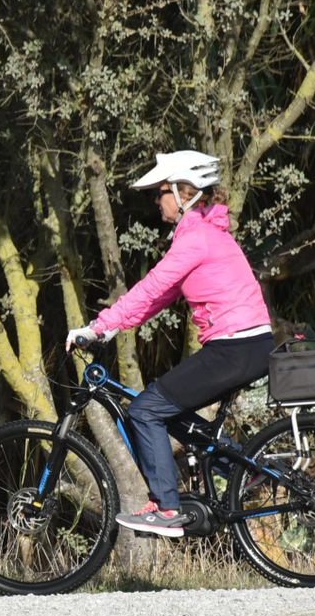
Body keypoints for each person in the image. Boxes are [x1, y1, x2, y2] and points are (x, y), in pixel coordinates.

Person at [65, 150, 273, 537]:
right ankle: (244, 468)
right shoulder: (202, 235)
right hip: (245, 345)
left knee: (145, 410)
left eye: (161, 192)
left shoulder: (195, 239)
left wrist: (95, 327)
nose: (156, 201)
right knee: (167, 410)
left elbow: (149, 288)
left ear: (183, 193)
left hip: (235, 346)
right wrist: (108, 329)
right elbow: (157, 299)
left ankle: (165, 508)